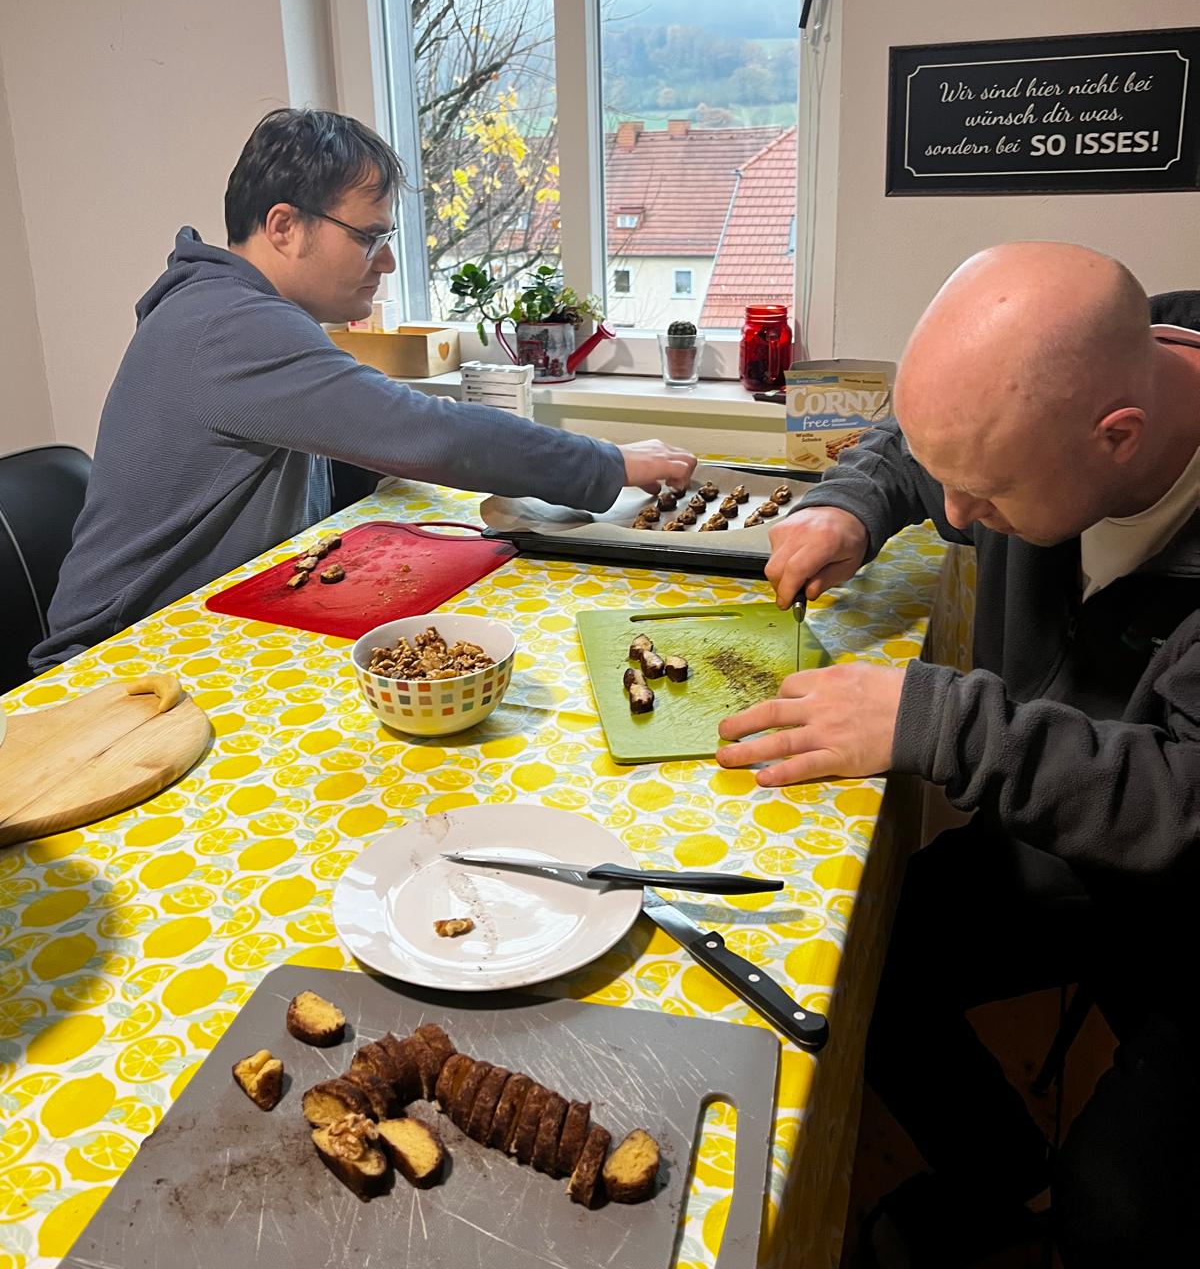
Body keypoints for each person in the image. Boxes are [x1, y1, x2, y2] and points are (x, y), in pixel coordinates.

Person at [716, 243, 1200, 1267]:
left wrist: (934, 721)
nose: (958, 518)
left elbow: (1179, 799)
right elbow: (924, 443)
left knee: (1117, 1208)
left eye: (984, 496)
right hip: (1067, 847)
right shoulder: (1062, 380)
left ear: (1118, 438)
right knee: (851, 962)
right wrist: (853, 499)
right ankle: (999, 1175)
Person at [33, 109, 695, 669]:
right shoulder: (228, 326)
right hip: (114, 663)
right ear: (284, 227)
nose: (384, 261)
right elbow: (426, 432)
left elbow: (364, 430)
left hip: (208, 629)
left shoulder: (236, 313)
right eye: (369, 237)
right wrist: (608, 465)